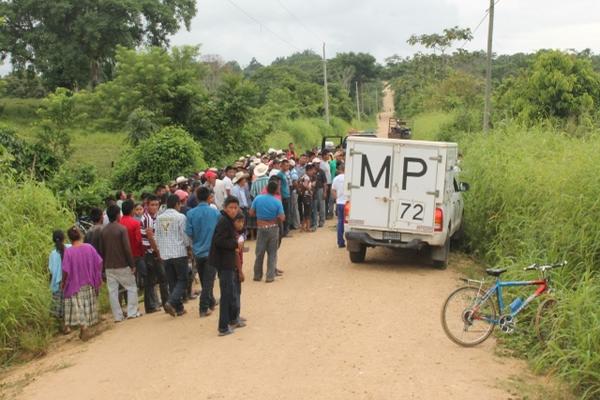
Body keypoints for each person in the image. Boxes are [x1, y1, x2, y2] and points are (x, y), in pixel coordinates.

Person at [99, 204, 141, 322]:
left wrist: (103, 267)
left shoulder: (103, 230)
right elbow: (127, 249)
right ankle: (132, 312)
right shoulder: (121, 229)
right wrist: (132, 264)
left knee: (112, 291)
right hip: (122, 264)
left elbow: (101, 250)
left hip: (109, 266)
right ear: (118, 215)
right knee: (131, 287)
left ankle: (118, 316)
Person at [61, 226, 103, 341]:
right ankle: (85, 328)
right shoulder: (89, 248)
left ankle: (83, 327)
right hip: (89, 282)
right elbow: (99, 262)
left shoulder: (68, 252)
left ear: (69, 238)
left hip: (75, 284)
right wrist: (98, 276)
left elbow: (65, 270)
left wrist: (64, 282)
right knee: (86, 306)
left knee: (79, 307)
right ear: (80, 234)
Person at [209, 196, 242, 336]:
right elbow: (219, 241)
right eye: (231, 208)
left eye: (235, 208)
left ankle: (231, 319)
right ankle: (223, 327)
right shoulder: (224, 222)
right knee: (226, 294)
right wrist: (235, 244)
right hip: (224, 263)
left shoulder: (228, 221)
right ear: (225, 208)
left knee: (230, 292)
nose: (233, 211)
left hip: (226, 261)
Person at [186, 187, 220, 317]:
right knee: (208, 281)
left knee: (203, 278)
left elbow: (189, 232)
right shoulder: (215, 213)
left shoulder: (190, 214)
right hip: (212, 251)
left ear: (197, 197)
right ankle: (203, 307)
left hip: (198, 251)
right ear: (208, 197)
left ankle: (210, 302)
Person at [155, 194, 190, 317]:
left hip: (165, 254)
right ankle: (170, 302)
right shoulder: (180, 217)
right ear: (177, 204)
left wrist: (159, 251)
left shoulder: (159, 218)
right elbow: (185, 236)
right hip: (179, 252)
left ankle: (179, 308)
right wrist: (188, 247)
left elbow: (157, 237)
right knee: (183, 280)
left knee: (172, 281)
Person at [249, 181, 285, 282]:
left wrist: (260, 216)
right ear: (275, 190)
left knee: (259, 253)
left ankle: (257, 275)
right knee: (272, 253)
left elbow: (251, 213)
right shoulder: (277, 202)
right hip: (273, 228)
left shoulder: (258, 198)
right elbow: (282, 217)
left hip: (261, 228)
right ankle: (270, 276)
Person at [141, 194, 168, 313]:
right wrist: (158, 251)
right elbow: (150, 237)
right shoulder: (147, 218)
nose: (155, 207)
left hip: (153, 251)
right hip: (151, 252)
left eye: (156, 205)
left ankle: (153, 305)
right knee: (161, 278)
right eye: (152, 205)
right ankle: (165, 302)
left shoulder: (156, 217)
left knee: (153, 279)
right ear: (147, 205)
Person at [48, 230, 71, 333]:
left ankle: (64, 327)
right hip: (70, 281)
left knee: (59, 306)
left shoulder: (52, 254)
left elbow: (51, 270)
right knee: (69, 304)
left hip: (58, 283)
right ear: (64, 238)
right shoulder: (70, 248)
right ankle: (69, 324)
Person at [232, 212, 247, 327]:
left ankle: (236, 315)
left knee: (236, 292)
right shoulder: (237, 237)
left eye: (242, 222)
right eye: (238, 221)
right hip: (235, 268)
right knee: (236, 293)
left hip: (234, 267)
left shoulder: (237, 235)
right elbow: (236, 255)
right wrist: (240, 271)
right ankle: (235, 318)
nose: (241, 224)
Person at [331, 162, 347, 248]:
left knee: (340, 221)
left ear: (340, 169)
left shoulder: (336, 178)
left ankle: (340, 242)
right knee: (348, 222)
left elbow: (333, 190)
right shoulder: (349, 178)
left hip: (340, 203)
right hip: (348, 203)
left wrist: (336, 199)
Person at [299, 164, 316, 232]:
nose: (313, 172)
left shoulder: (303, 176)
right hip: (307, 196)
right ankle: (307, 227)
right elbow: (306, 185)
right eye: (312, 170)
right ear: (308, 170)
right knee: (307, 212)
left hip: (304, 196)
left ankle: (303, 227)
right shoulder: (307, 178)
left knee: (306, 212)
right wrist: (310, 190)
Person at [277, 160, 292, 237]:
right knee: (285, 213)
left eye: (288, 165)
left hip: (287, 195)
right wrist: (280, 197)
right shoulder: (279, 174)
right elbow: (279, 186)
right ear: (282, 166)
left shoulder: (285, 173)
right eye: (286, 165)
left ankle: (286, 230)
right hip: (283, 196)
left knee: (287, 213)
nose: (287, 167)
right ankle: (284, 231)